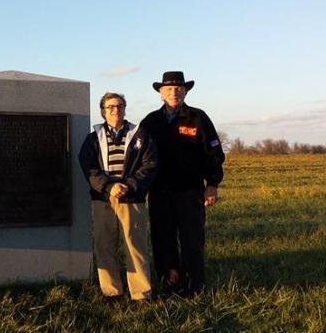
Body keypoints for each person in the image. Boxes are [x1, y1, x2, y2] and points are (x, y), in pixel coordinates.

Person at [141, 71, 225, 297]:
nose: (173, 93)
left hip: (190, 191)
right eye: (168, 89)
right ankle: (169, 280)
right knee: (162, 237)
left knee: (191, 238)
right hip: (159, 192)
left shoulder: (198, 118)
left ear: (185, 91)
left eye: (178, 89)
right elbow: (138, 156)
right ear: (160, 93)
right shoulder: (150, 122)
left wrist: (212, 184)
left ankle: (193, 285)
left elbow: (214, 153)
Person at [78, 93, 157, 304]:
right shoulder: (93, 137)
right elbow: (88, 167)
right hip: (103, 199)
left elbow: (150, 165)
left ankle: (141, 294)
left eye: (120, 105)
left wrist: (129, 186)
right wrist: (108, 186)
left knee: (135, 246)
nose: (116, 109)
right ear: (103, 110)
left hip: (132, 199)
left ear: (125, 108)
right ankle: (112, 292)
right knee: (105, 246)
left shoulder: (139, 134)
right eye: (110, 106)